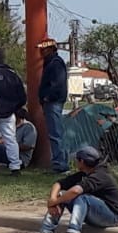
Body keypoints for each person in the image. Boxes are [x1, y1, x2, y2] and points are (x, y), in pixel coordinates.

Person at [24, 145, 118, 233]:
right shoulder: (85, 173)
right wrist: (53, 200)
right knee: (63, 194)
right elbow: (59, 184)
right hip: (96, 213)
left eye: (77, 159)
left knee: (81, 197)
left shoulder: (100, 175)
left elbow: (76, 191)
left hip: (112, 216)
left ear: (82, 162)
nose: (75, 162)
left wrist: (55, 201)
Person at [0, 49, 27, 175]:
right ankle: (15, 166)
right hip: (9, 113)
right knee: (11, 139)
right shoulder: (12, 74)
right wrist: (15, 107)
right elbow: (22, 95)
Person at [37, 37, 68, 172]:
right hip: (52, 101)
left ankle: (60, 164)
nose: (41, 52)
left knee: (55, 133)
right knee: (56, 133)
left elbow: (58, 84)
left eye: (43, 49)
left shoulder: (55, 63)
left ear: (50, 49)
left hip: (53, 102)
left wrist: (47, 97)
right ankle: (59, 162)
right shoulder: (52, 62)